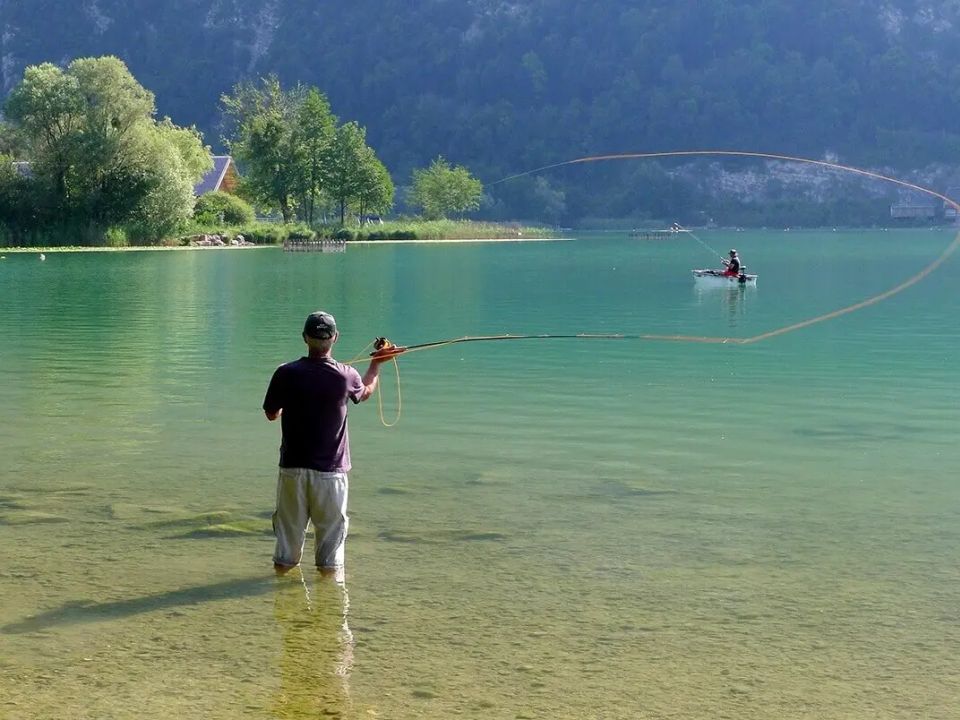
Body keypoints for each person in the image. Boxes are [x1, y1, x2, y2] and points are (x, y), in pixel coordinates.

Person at [263, 311, 385, 575]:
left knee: (285, 553)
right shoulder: (346, 376)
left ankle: (284, 600)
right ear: (335, 338)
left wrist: (287, 408)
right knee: (330, 558)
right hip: (331, 475)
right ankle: (327, 608)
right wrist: (377, 363)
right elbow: (364, 392)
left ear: (305, 338)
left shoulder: (285, 373)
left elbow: (272, 414)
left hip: (292, 471)